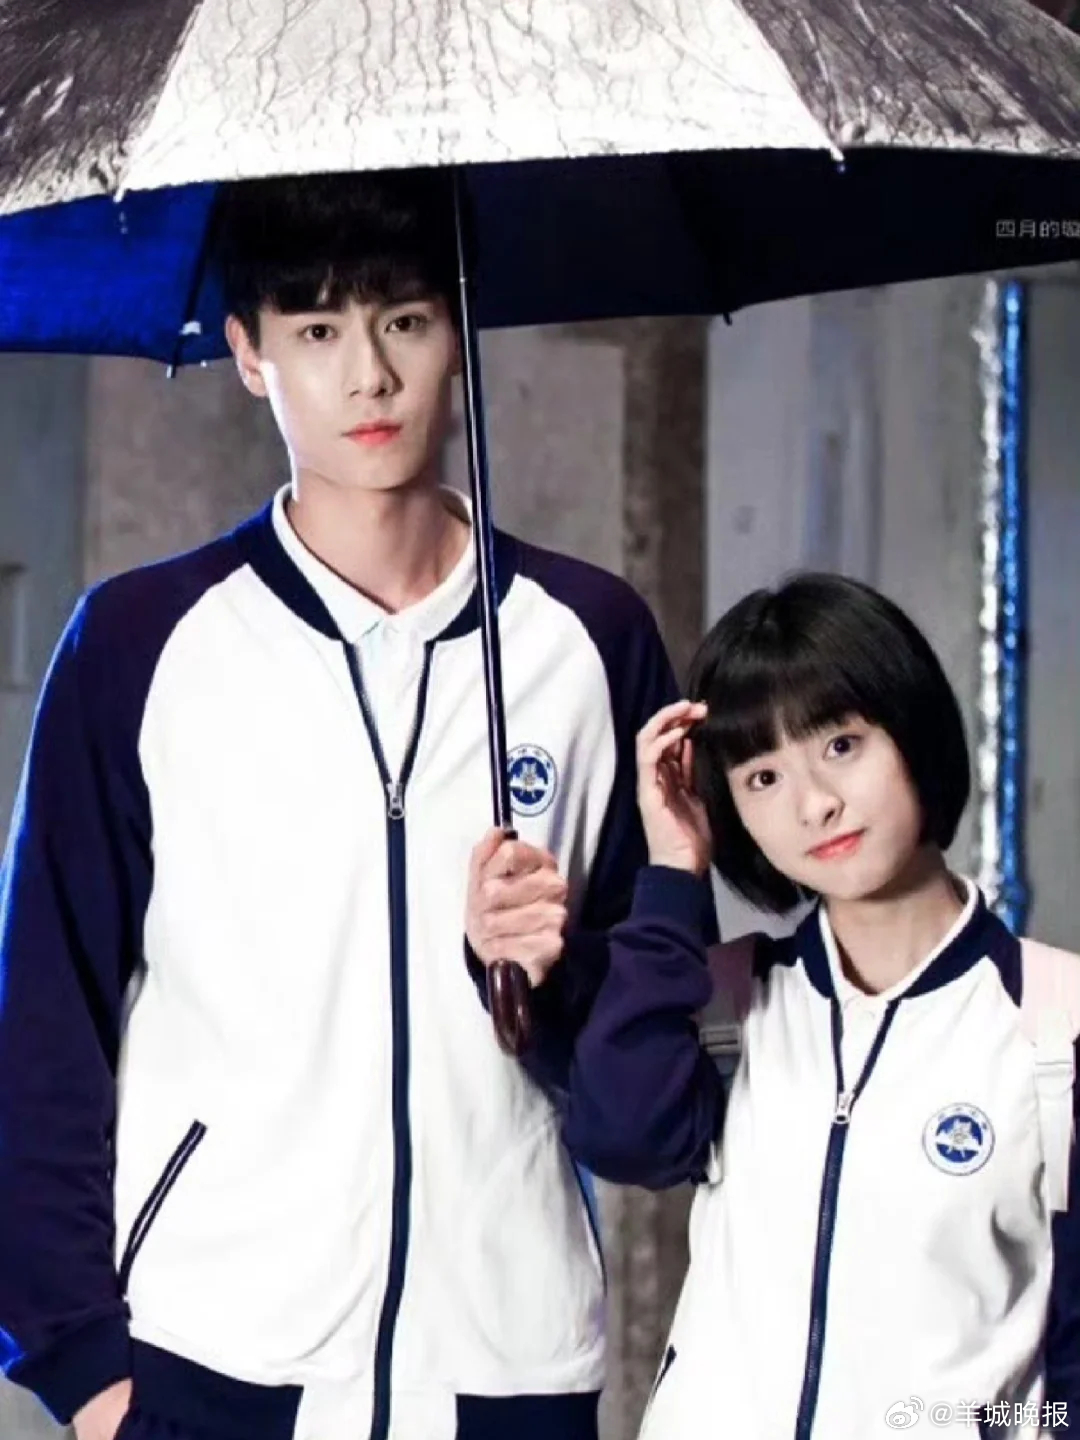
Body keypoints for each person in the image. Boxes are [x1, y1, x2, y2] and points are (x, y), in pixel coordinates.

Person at [0, 170, 694, 1440]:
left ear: (458, 334)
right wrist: (84, 1369)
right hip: (211, 1355)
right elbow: (42, 1021)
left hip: (509, 1364)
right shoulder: (141, 644)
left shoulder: (589, 640)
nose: (368, 376)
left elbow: (642, 1080)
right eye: (317, 330)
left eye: (406, 320)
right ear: (249, 352)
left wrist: (552, 975)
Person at [535, 574, 1080, 1438]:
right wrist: (672, 873)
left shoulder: (1055, 1026)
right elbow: (621, 1138)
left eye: (842, 745)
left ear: (912, 729)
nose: (814, 804)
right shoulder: (726, 999)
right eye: (762, 777)